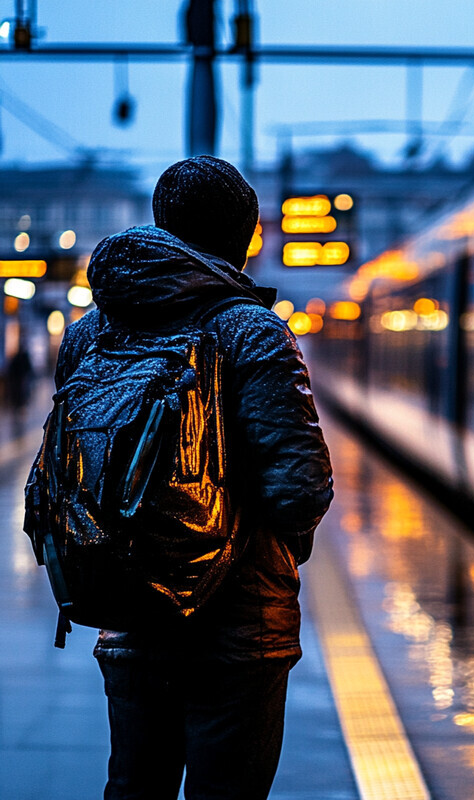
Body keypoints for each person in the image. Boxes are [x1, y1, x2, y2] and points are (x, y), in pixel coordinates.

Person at [51, 155, 333, 799]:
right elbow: (300, 486)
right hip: (239, 630)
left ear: (161, 225)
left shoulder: (89, 333)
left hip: (124, 611)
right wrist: (252, 559)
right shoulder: (252, 330)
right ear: (245, 236)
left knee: (133, 786)